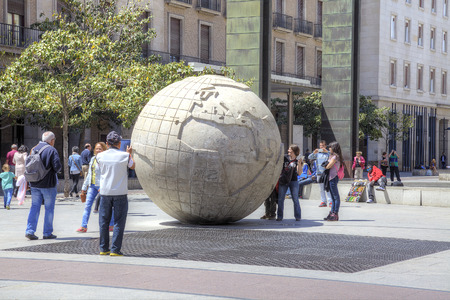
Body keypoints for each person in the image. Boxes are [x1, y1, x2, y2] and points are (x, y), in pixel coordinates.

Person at [97, 131, 135, 256]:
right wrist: (129, 154)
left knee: (104, 221)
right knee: (119, 221)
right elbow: (133, 166)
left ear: (107, 144)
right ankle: (115, 249)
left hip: (105, 192)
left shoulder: (100, 156)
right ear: (119, 144)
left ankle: (103, 248)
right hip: (120, 192)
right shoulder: (125, 155)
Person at [25, 131, 62, 240]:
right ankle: (47, 233)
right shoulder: (51, 150)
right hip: (48, 184)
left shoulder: (34, 148)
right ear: (52, 140)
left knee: (34, 207)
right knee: (49, 208)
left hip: (35, 183)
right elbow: (57, 167)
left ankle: (30, 230)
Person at [76, 142, 114, 233]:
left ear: (104, 149)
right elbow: (89, 174)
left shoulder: (106, 159)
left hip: (102, 186)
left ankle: (111, 224)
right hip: (92, 186)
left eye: (100, 148)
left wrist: (104, 185)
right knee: (87, 206)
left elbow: (107, 174)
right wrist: (84, 187)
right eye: (96, 148)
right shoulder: (93, 159)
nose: (97, 150)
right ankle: (83, 226)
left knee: (106, 206)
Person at [276, 144, 301, 222]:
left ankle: (298, 216)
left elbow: (299, 173)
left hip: (293, 181)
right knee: (280, 199)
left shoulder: (297, 160)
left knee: (295, 199)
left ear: (294, 151)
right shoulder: (284, 158)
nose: (288, 150)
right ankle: (279, 216)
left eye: (290, 149)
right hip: (284, 180)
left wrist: (299, 164)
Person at [323, 141, 343, 221]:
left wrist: (326, 165)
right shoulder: (332, 156)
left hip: (333, 177)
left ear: (334, 148)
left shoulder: (335, 157)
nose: (329, 148)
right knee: (333, 197)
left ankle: (335, 213)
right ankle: (332, 213)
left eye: (330, 147)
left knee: (335, 197)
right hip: (331, 178)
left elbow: (328, 166)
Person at [309, 140, 332, 207]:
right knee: (321, 188)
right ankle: (323, 201)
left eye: (322, 146)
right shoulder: (317, 154)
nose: (321, 147)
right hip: (319, 173)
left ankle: (330, 201)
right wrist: (314, 153)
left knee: (327, 187)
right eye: (320, 146)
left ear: (325, 146)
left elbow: (333, 156)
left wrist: (327, 151)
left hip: (326, 173)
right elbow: (309, 157)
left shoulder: (328, 153)